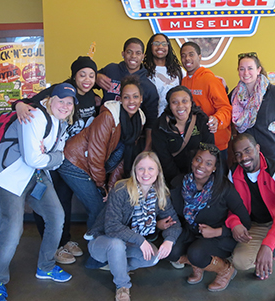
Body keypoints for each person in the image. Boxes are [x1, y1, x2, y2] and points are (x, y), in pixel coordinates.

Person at [0, 83, 77, 301]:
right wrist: (54, 157)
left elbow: (47, 159)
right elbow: (36, 158)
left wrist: (49, 157)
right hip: (8, 177)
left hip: (35, 177)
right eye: (61, 100)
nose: (64, 106)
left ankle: (46, 266)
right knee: (12, 230)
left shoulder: (61, 123)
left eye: (69, 103)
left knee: (56, 216)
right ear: (50, 99)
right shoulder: (35, 116)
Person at [14, 56, 99, 265]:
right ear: (74, 76)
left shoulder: (91, 97)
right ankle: (53, 246)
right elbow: (30, 104)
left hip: (68, 159)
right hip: (47, 157)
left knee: (64, 198)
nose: (87, 79)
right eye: (82, 74)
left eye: (91, 75)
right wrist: (18, 105)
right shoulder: (61, 91)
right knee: (46, 200)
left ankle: (65, 239)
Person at [87, 152, 182, 301]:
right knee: (116, 244)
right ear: (134, 171)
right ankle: (122, 286)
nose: (145, 173)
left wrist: (169, 240)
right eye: (141, 168)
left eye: (151, 168)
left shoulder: (160, 194)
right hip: (102, 241)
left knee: (154, 257)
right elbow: (111, 227)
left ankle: (118, 266)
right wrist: (140, 240)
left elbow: (174, 223)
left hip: (128, 243)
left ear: (158, 172)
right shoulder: (121, 189)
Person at [60, 75, 146, 235]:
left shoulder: (138, 120)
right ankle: (95, 250)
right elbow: (95, 154)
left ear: (141, 98)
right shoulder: (109, 117)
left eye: (135, 97)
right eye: (126, 97)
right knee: (98, 208)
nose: (131, 101)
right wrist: (101, 187)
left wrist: (111, 188)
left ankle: (99, 244)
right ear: (120, 99)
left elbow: (121, 160)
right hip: (75, 162)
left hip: (91, 165)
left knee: (106, 205)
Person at [227, 133, 275, 301]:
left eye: (247, 151)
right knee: (240, 261)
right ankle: (266, 257)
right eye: (238, 154)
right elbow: (230, 207)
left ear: (257, 149)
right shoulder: (233, 175)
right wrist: (234, 223)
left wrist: (268, 245)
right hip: (255, 225)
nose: (244, 157)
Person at [166, 143, 251, 292]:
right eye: (198, 159)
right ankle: (198, 264)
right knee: (169, 251)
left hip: (219, 236)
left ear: (214, 168)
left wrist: (217, 232)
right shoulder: (179, 183)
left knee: (196, 253)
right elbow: (171, 211)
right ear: (192, 161)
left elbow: (245, 222)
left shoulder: (224, 189)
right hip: (191, 231)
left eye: (208, 163)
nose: (201, 166)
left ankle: (225, 269)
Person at [96, 37, 159, 150]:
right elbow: (86, 84)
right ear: (123, 54)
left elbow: (151, 123)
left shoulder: (149, 87)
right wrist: (96, 77)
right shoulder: (111, 70)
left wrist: (147, 149)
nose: (133, 56)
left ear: (143, 56)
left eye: (138, 53)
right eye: (129, 52)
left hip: (129, 139)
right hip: (103, 131)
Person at [180, 42, 232, 167]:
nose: (187, 58)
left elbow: (225, 108)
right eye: (183, 55)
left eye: (191, 54)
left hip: (216, 144)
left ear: (199, 57)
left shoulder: (210, 80)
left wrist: (217, 120)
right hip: (195, 143)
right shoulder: (183, 81)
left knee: (218, 182)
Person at [152, 85, 214, 186]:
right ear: (169, 105)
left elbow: (209, 150)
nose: (180, 105)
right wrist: (180, 182)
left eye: (184, 101)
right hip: (172, 179)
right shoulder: (160, 127)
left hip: (200, 175)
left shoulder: (202, 121)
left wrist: (198, 178)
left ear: (191, 103)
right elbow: (164, 160)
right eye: (175, 102)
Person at [143, 33, 183, 116]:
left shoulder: (178, 70)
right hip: (149, 121)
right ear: (150, 46)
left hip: (173, 121)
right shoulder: (143, 70)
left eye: (164, 44)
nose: (160, 46)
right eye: (156, 43)